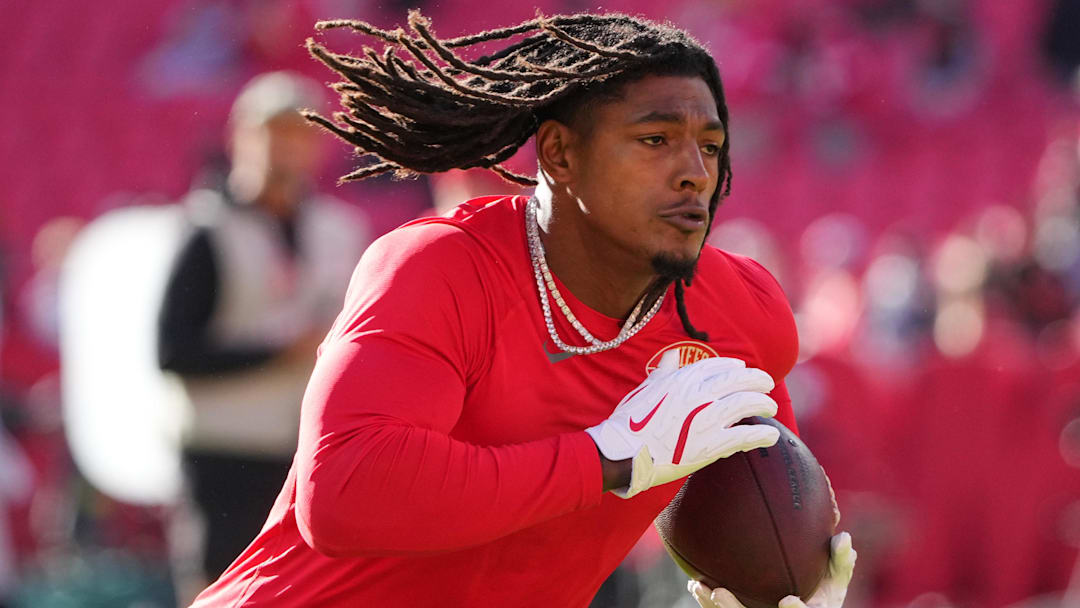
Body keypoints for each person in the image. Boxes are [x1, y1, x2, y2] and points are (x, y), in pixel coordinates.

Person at [190, 12, 855, 607]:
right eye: (655, 140)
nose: (695, 174)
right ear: (561, 155)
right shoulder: (439, 267)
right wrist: (606, 459)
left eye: (709, 146)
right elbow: (342, 494)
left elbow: (764, 508)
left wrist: (783, 592)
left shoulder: (742, 310)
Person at [156, 71, 372, 600]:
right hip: (223, 447)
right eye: (273, 131)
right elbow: (173, 351)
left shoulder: (342, 230)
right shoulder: (205, 228)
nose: (287, 146)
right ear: (241, 137)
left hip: (307, 450)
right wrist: (280, 352)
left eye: (300, 132)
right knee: (217, 589)